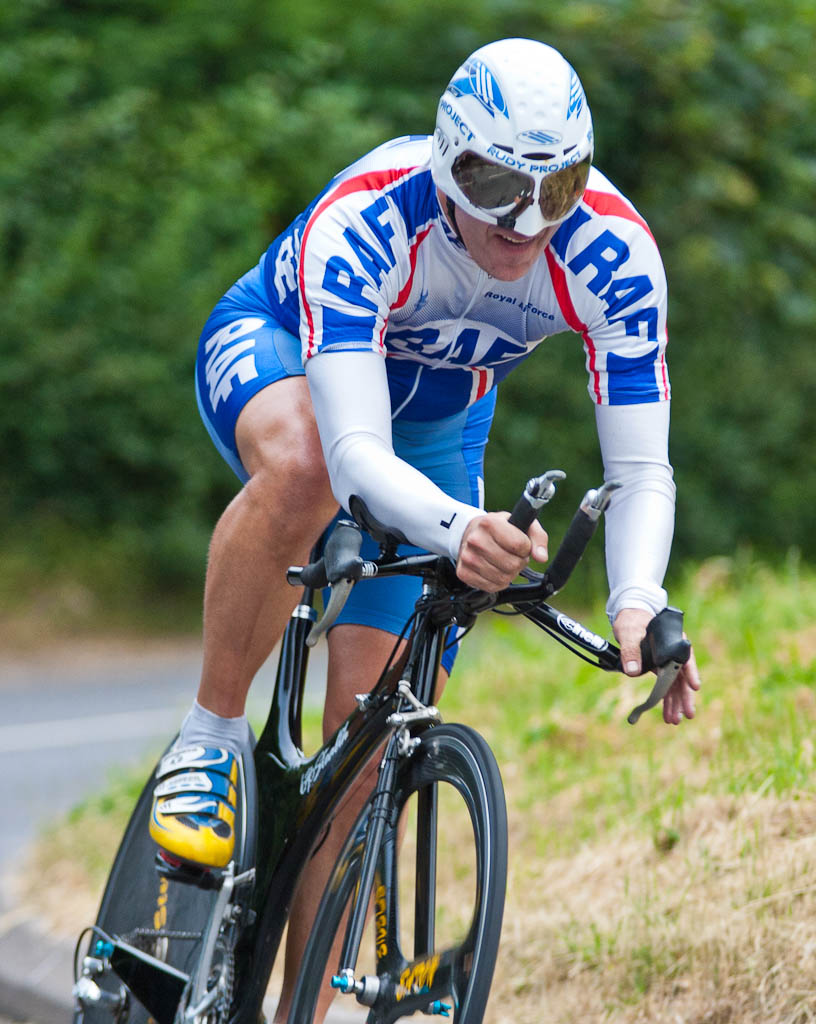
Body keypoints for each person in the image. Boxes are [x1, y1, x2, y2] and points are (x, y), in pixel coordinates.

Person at [148, 37, 701, 1021]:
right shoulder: (371, 215)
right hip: (287, 359)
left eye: (556, 187)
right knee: (311, 470)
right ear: (449, 163)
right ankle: (210, 734)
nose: (525, 223)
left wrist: (636, 599)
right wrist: (459, 527)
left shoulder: (614, 251)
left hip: (439, 419)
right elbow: (357, 455)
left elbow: (641, 468)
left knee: (370, 736)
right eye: (496, 184)